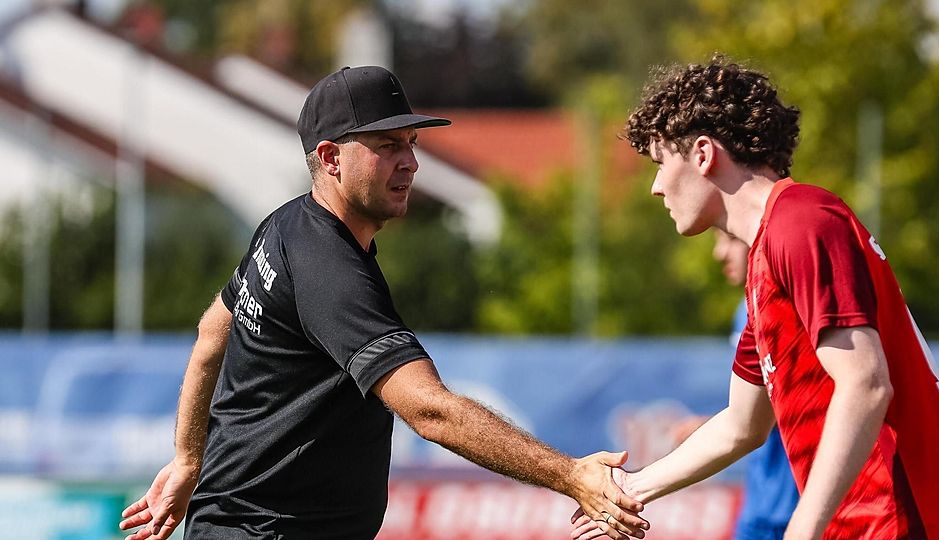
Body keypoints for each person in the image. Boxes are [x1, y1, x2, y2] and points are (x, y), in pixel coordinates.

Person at [118, 66, 648, 540]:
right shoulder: (328, 268)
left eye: (411, 142)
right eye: (388, 145)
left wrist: (189, 458)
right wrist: (572, 475)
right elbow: (429, 409)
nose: (411, 162)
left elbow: (214, 332)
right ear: (330, 157)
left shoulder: (286, 226)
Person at [572, 57, 939, 539]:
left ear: (702, 153)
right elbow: (742, 424)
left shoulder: (801, 221)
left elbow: (865, 385)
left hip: (899, 520)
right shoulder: (768, 255)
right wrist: (628, 491)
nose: (655, 187)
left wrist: (802, 529)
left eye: (660, 163)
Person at [671, 230, 799, 540]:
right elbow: (767, 402)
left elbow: (803, 401)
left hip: (798, 508)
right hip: (760, 507)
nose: (719, 252)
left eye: (728, 238)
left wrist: (719, 426)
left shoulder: (782, 302)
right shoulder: (744, 308)